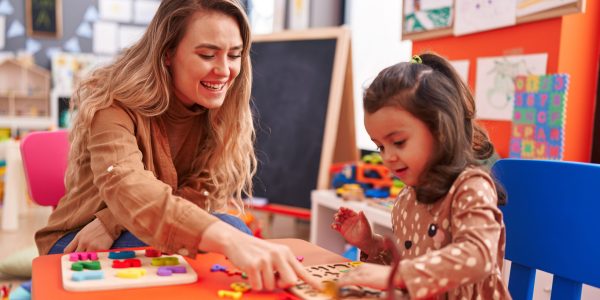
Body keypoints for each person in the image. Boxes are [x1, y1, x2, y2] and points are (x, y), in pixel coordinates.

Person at [35, 0, 319, 291]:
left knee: (229, 237)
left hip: (130, 229)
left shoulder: (219, 112)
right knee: (230, 232)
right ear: (168, 53)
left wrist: (112, 220)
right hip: (78, 240)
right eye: (207, 54)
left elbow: (199, 192)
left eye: (234, 55)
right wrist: (231, 239)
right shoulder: (112, 103)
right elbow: (126, 185)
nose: (224, 70)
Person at [331, 53, 511, 299]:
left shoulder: (471, 187)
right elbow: (411, 272)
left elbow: (478, 256)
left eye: (398, 142)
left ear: (440, 130)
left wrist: (396, 276)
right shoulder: (407, 197)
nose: (388, 157)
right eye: (380, 147)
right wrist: (370, 244)